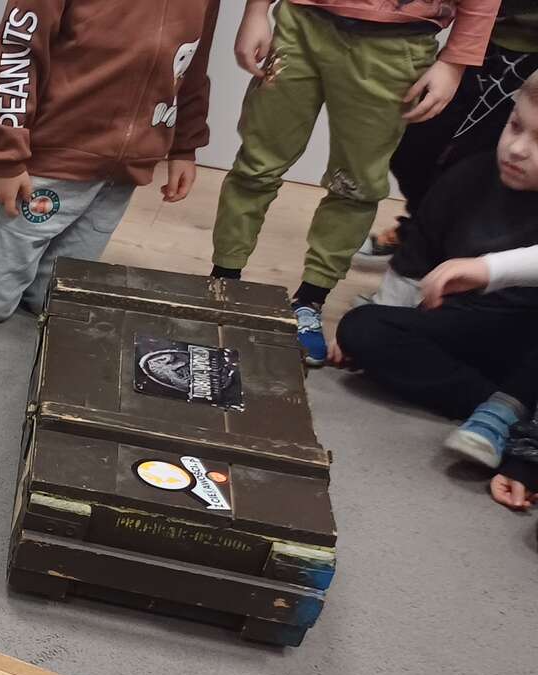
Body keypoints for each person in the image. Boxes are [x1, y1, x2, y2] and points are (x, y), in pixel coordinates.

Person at [209, 0, 499, 366]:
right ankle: (222, 282)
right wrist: (255, 10)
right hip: (302, 22)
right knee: (255, 166)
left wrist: (455, 61)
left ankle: (310, 301)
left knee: (357, 185)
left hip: (398, 43)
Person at [0, 0, 220, 322]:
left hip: (122, 174)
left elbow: (194, 63)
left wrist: (184, 146)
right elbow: (17, 51)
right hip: (49, 159)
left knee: (50, 302)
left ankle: (0, 237)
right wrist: (6, 156)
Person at [329, 74, 538, 469]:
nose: (517, 149)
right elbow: (416, 260)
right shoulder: (468, 177)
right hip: (465, 327)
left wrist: (486, 269)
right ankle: (498, 411)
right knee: (362, 327)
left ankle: (512, 411)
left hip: (529, 346)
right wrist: (384, 316)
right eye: (515, 126)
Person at [365, 0, 538, 258]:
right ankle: (422, 230)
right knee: (412, 143)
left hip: (531, 62)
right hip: (479, 36)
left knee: (479, 163)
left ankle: (431, 248)